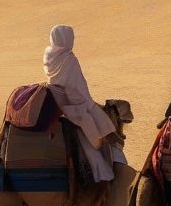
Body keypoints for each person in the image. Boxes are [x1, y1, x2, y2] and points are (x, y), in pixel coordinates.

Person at [43, 24, 119, 182]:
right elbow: (80, 88)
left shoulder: (49, 55)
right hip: (73, 107)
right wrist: (91, 107)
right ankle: (102, 173)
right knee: (93, 140)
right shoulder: (69, 59)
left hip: (58, 102)